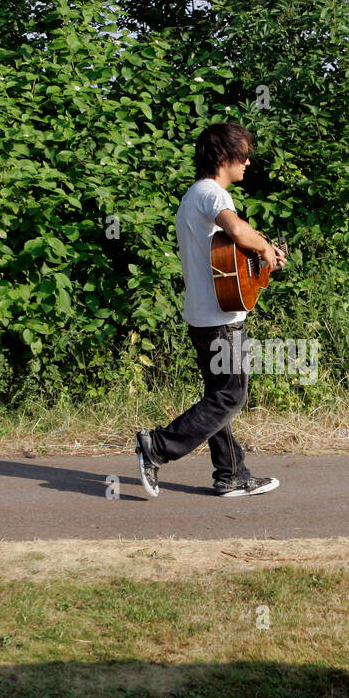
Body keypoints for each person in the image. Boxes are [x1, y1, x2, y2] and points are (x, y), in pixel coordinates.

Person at [135, 122, 287, 498]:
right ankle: (157, 446)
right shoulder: (210, 193)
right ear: (226, 156)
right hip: (219, 321)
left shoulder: (198, 195)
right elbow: (235, 231)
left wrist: (261, 259)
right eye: (244, 154)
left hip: (207, 316)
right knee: (229, 396)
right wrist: (265, 248)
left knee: (218, 397)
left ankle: (231, 475)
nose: (248, 162)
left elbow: (227, 255)